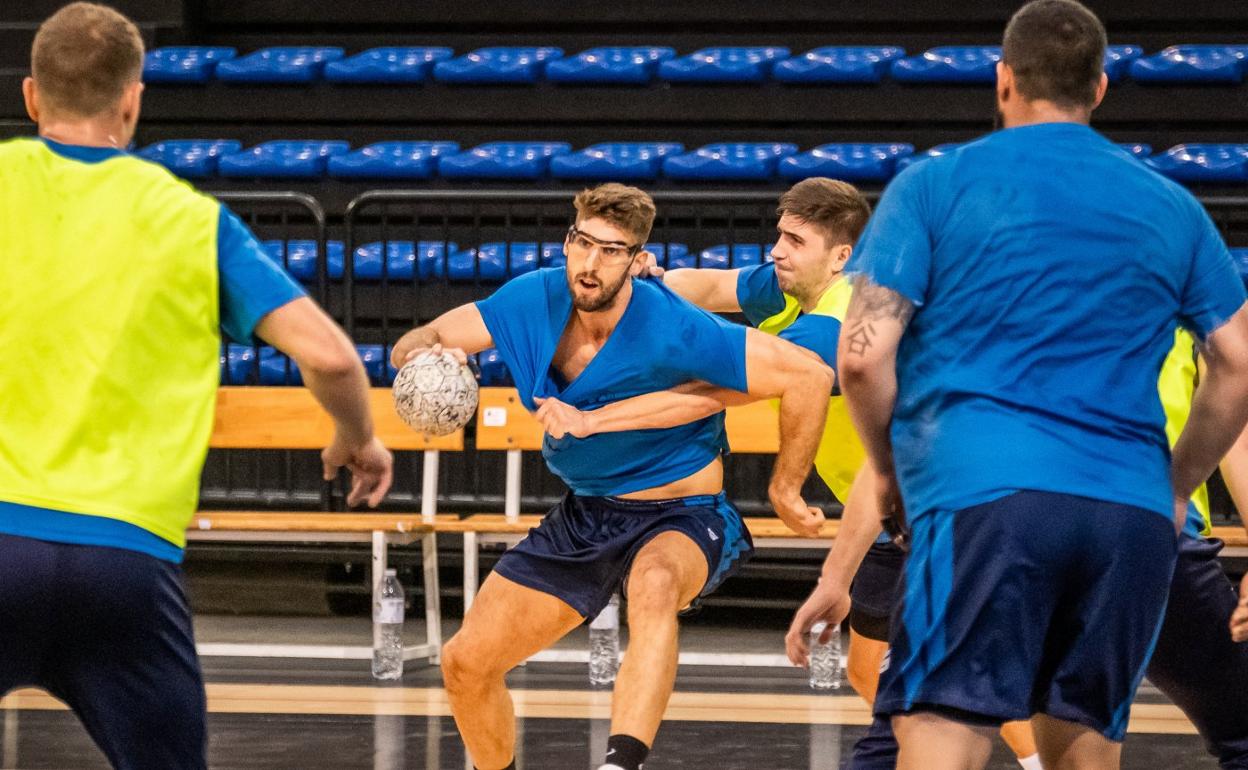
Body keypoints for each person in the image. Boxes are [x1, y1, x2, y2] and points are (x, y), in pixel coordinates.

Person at [836, 1, 1248, 768]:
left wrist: (891, 472)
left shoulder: (935, 186)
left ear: (1003, 80)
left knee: (941, 729)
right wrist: (1176, 484)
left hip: (984, 498)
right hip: (1128, 515)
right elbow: (1240, 360)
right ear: (1100, 88)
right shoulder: (1172, 205)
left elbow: (862, 357)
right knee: (1082, 745)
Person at [535, 178, 1043, 769]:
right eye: (780, 235)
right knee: (866, 667)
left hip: (951, 506)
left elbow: (719, 388)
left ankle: (1029, 761)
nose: (777, 250)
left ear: (841, 256)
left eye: (795, 241)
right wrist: (645, 279)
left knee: (964, 670)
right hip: (883, 514)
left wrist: (595, 419)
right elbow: (710, 285)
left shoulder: (840, 319)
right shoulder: (787, 287)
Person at [0, 4, 394, 768]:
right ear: (133, 100)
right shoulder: (190, 222)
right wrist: (359, 438)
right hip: (123, 562)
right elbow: (332, 357)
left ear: (32, 96)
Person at [388, 183, 833, 770]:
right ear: (567, 240)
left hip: (683, 515)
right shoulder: (531, 298)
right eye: (583, 243)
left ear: (637, 259)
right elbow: (420, 338)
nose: (591, 263)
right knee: (466, 663)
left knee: (653, 588)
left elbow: (809, 375)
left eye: (611, 250)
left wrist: (785, 488)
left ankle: (620, 763)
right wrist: (427, 358)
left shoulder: (672, 323)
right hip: (588, 514)